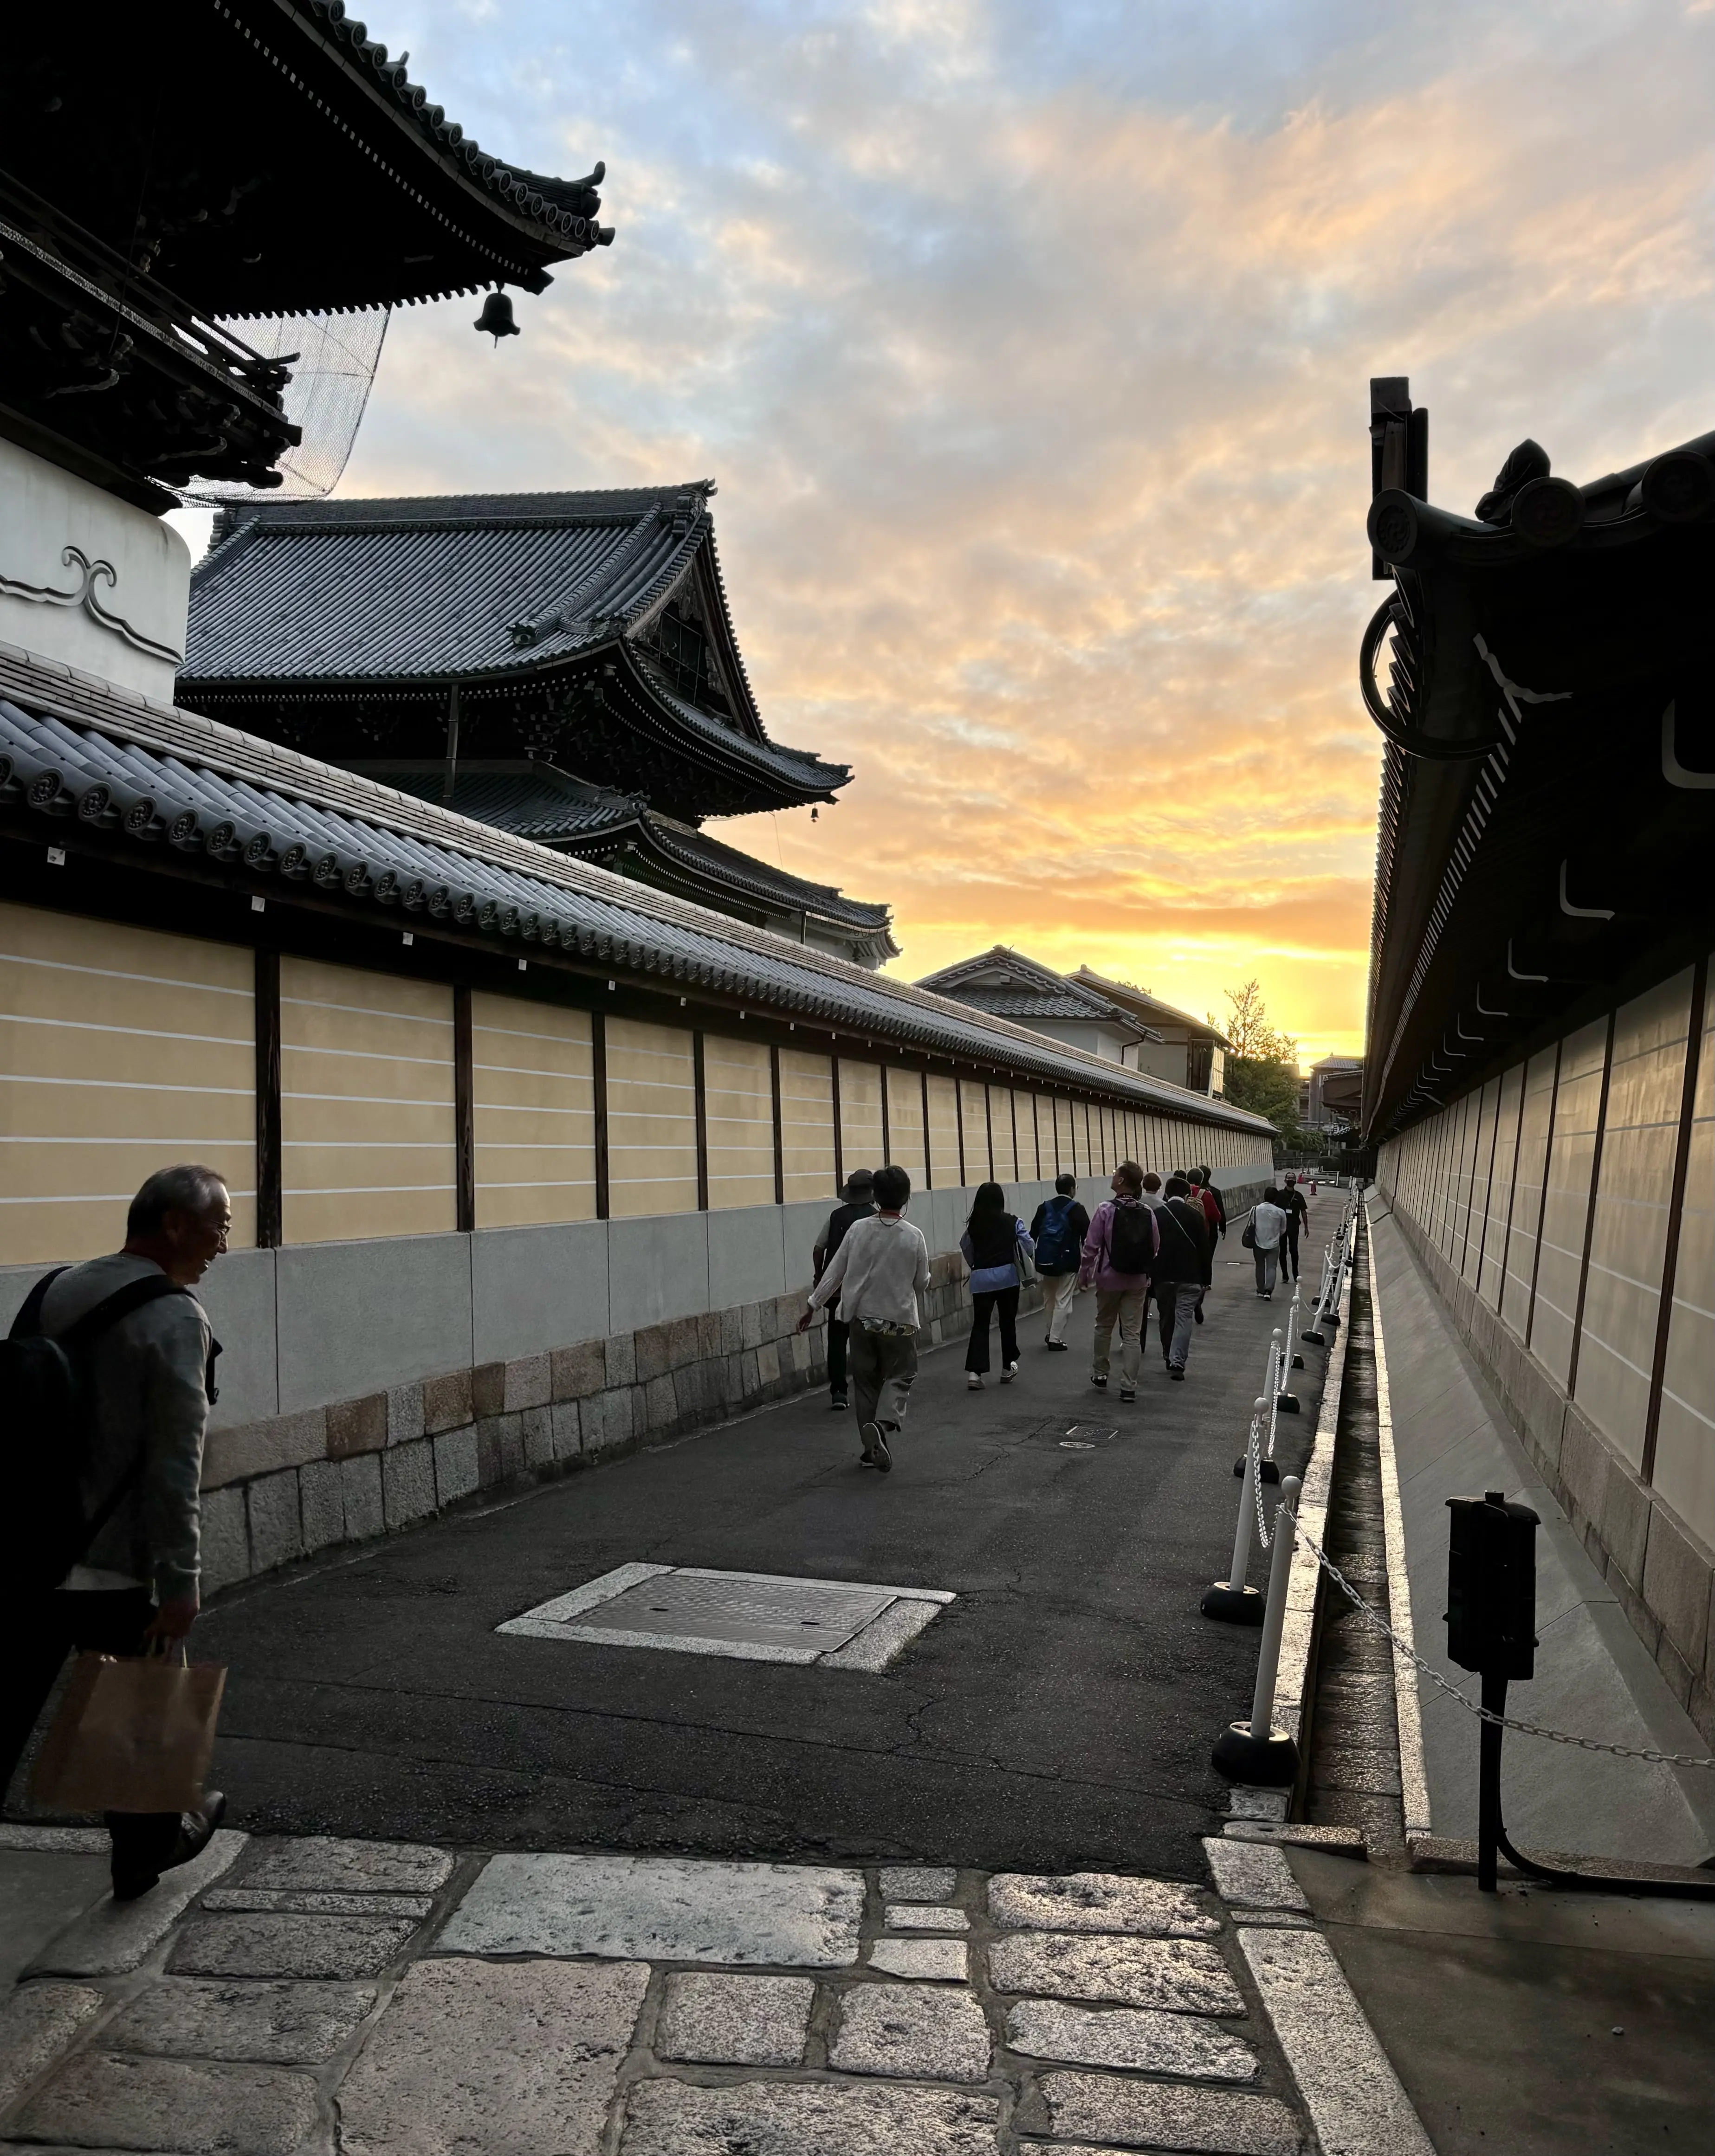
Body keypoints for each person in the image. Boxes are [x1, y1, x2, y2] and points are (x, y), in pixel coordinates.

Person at [2, 1165, 231, 1903]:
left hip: (31, 1547)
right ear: (173, 1224)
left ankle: (152, 1839)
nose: (222, 1243)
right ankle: (145, 1851)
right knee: (144, 1710)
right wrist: (180, 1581)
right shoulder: (178, 1318)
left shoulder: (53, 1289)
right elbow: (173, 1466)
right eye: (218, 1224)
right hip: (117, 1562)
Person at [800, 1163, 928, 1473]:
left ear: (876, 1195)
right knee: (901, 1376)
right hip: (899, 1322)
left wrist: (813, 1305)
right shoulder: (913, 1236)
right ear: (906, 1196)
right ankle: (883, 1426)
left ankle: (870, 1447)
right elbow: (921, 1282)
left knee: (866, 1384)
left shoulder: (858, 1230)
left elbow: (835, 1271)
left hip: (861, 1320)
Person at [1077, 1162, 1158, 1403]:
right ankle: (1129, 1386)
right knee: (1132, 1333)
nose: (1113, 1177)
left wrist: (1085, 1274)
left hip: (1109, 1279)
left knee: (1104, 1326)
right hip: (1137, 1281)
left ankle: (1101, 1374)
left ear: (1122, 1181)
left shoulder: (1105, 1210)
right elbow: (1155, 1248)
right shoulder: (1148, 1212)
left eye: (1116, 1174)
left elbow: (1091, 1247)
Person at [811, 1169, 877, 1410]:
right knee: (866, 1342)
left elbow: (819, 1248)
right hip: (866, 1293)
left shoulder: (836, 1216)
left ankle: (839, 1392)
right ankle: (868, 1388)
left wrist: (820, 1276)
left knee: (838, 1342)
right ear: (872, 1193)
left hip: (838, 1292)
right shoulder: (876, 1217)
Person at [959, 1182, 1035, 1389]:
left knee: (980, 1325)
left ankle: (975, 1374)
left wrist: (976, 1265)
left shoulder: (973, 1225)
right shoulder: (1012, 1222)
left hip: (981, 1279)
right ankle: (1007, 1367)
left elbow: (966, 1247)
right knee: (1007, 1323)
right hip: (1007, 1278)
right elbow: (1028, 1245)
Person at [1155, 1175, 1211, 1377]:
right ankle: (1178, 1361)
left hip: (1163, 1276)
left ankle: (1167, 1354)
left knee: (1166, 1317)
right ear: (1187, 1195)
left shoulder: (1157, 1215)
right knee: (1184, 1319)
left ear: (1167, 1193)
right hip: (1190, 1276)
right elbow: (1204, 1250)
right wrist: (1206, 1280)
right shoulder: (1195, 1216)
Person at [1029, 1174, 1089, 1351]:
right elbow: (1088, 1237)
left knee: (1049, 1299)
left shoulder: (1044, 1207)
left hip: (1045, 1261)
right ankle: (1055, 1338)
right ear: (1072, 1190)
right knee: (1063, 1300)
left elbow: (1032, 1234)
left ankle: (1051, 1333)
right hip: (1068, 1262)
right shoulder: (1077, 1209)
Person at [1250, 1186, 1288, 1297]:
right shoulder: (1280, 1212)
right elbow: (1283, 1229)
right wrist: (1276, 1236)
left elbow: (1252, 1224)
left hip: (1258, 1242)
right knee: (1272, 1267)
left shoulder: (1255, 1209)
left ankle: (1260, 1290)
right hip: (1274, 1243)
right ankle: (1268, 1291)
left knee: (1260, 1266)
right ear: (1276, 1199)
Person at [1278, 1172, 1309, 1285]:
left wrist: (1306, 1227)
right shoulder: (1280, 1195)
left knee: (1294, 1251)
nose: (1291, 1182)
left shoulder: (1299, 1196)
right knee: (1282, 1251)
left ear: (1295, 1182)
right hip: (1282, 1227)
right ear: (1286, 1181)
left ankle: (1295, 1274)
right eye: (1289, 1180)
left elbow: (1303, 1212)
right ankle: (1285, 1276)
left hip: (1294, 1227)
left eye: (1292, 1181)